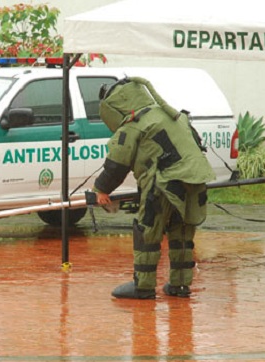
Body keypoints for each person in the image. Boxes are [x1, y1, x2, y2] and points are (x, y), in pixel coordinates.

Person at [92, 77, 215, 299]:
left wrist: (102, 190)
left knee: (147, 231)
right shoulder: (173, 116)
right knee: (182, 231)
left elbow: (117, 164)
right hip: (195, 180)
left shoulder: (135, 123)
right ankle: (180, 286)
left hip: (164, 182)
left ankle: (143, 287)